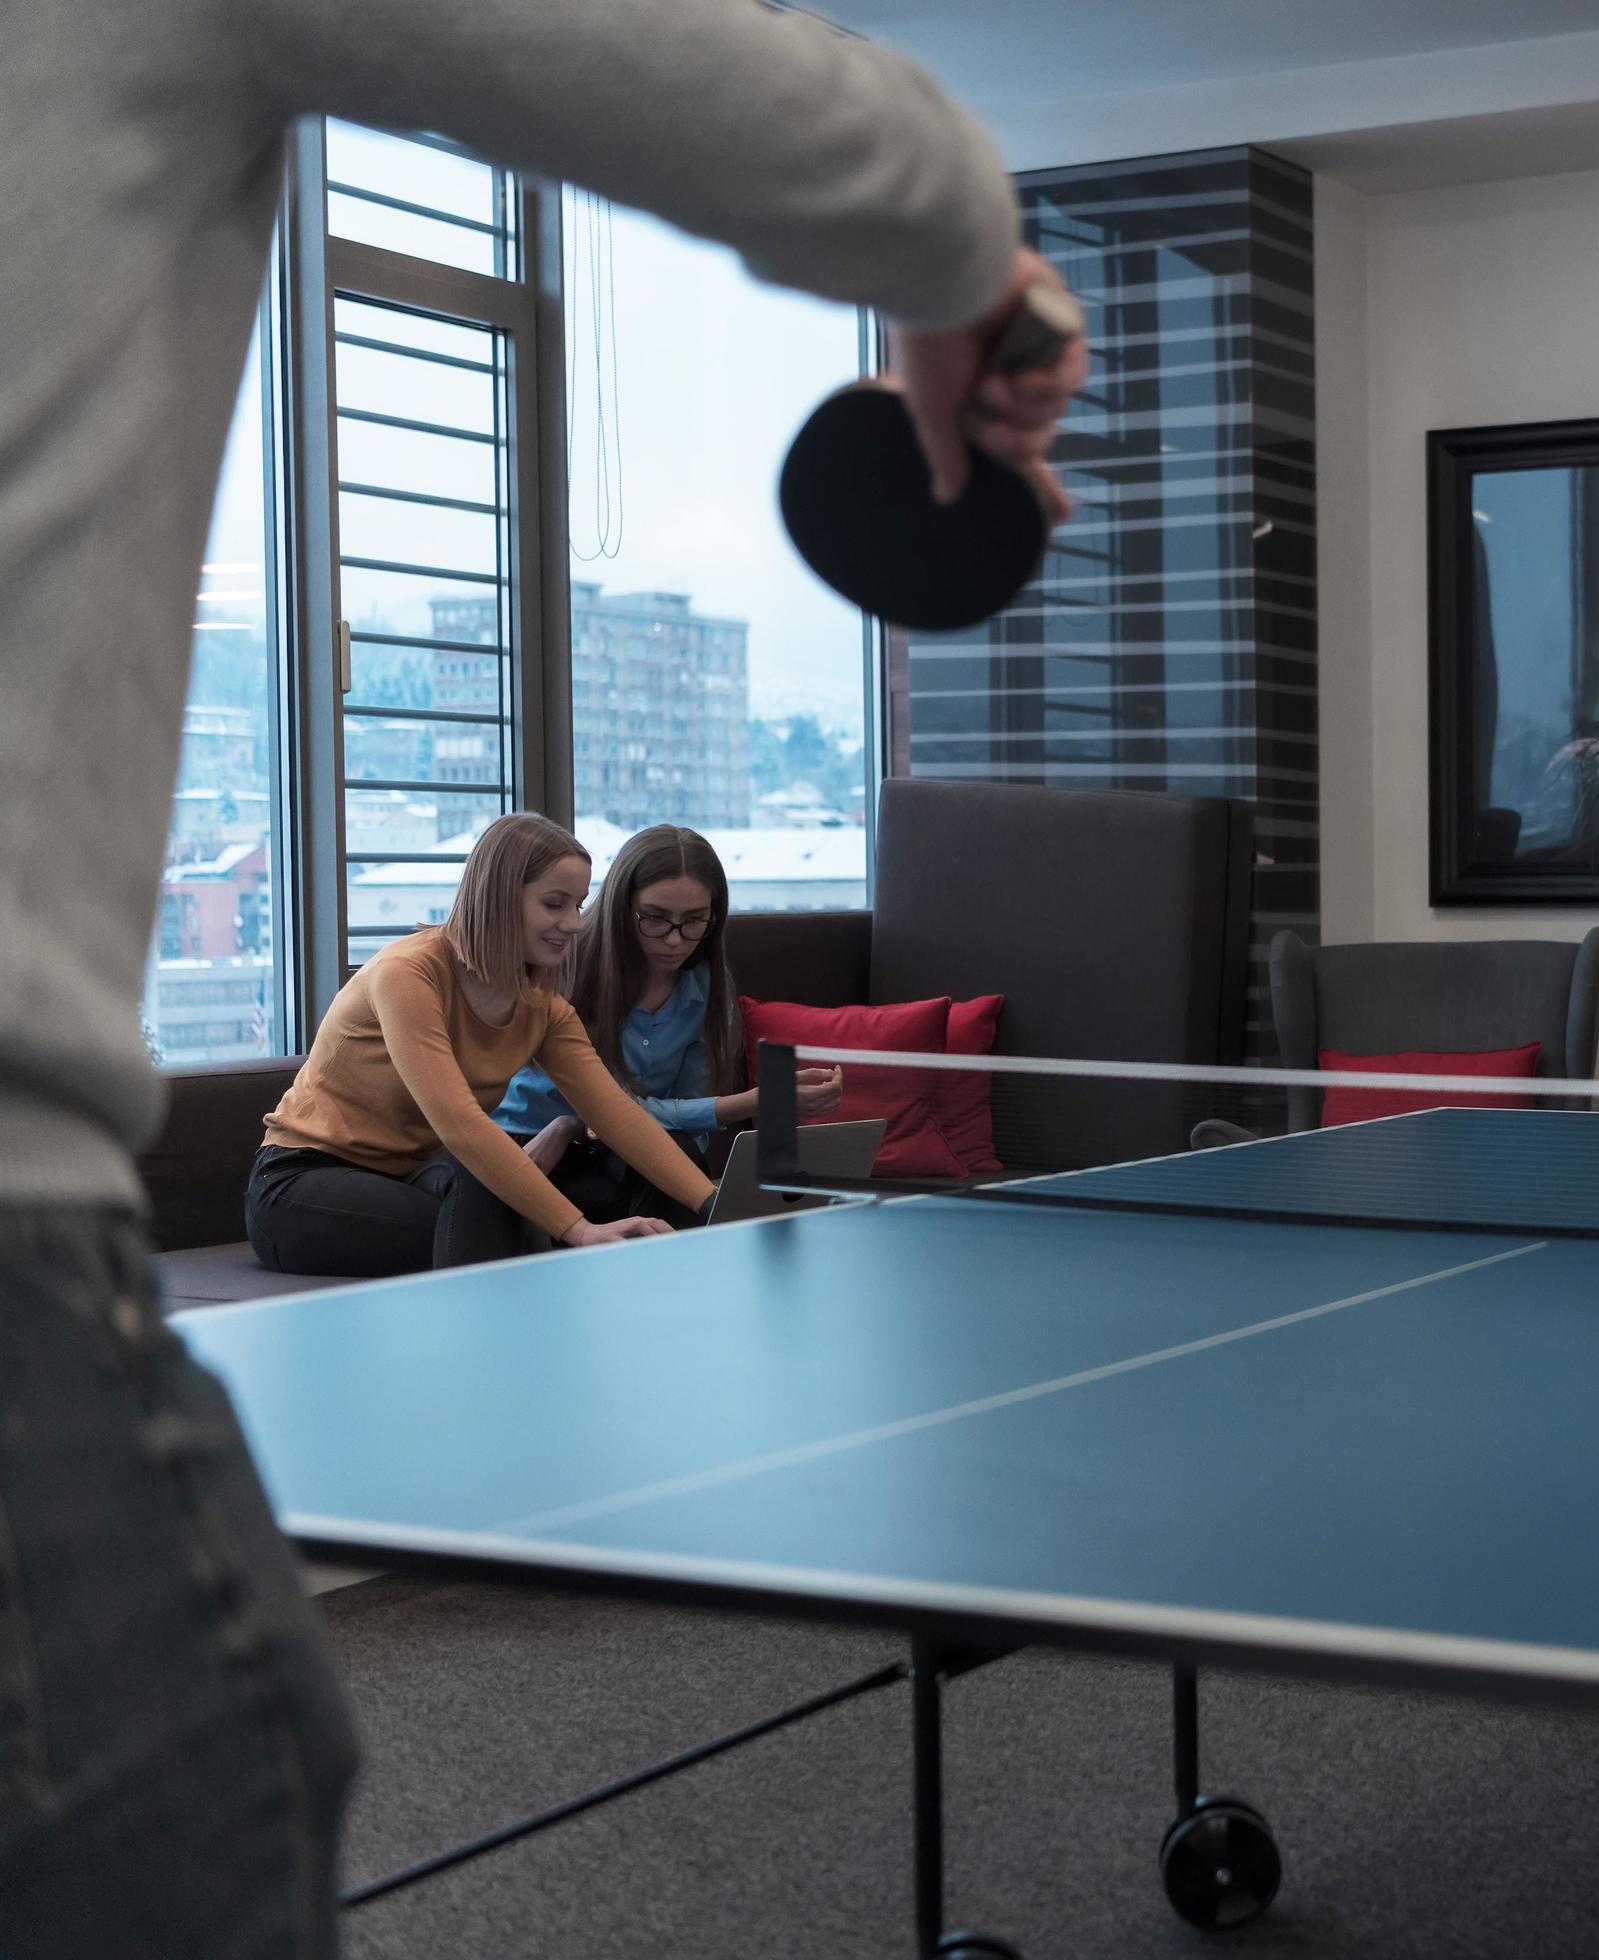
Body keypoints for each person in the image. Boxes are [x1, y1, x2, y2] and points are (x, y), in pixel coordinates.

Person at [0, 1, 1085, 1950]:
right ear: (530, 885)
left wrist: (718, 1223)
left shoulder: (554, 994)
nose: (603, 922)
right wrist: (958, 262)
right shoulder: (421, 971)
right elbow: (837, 141)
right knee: (205, 1801)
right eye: (580, 895)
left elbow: (596, 1113)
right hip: (272, 1187)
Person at [247, 814, 724, 1272]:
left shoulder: (541, 1006)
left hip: (413, 1174)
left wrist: (717, 1204)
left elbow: (618, 1115)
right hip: (299, 1182)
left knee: (501, 1189)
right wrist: (579, 1231)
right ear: (498, 897)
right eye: (554, 903)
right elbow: (461, 1125)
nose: (574, 924)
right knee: (512, 1216)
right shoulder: (407, 974)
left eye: (577, 905)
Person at [496, 824, 845, 1225]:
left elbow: (678, 1118)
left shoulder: (703, 987)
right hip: (535, 1142)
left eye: (694, 920)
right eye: (655, 918)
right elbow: (613, 1108)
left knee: (677, 1150)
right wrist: (753, 1102)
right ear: (621, 909)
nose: (675, 940)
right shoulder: (568, 969)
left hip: (620, 1145)